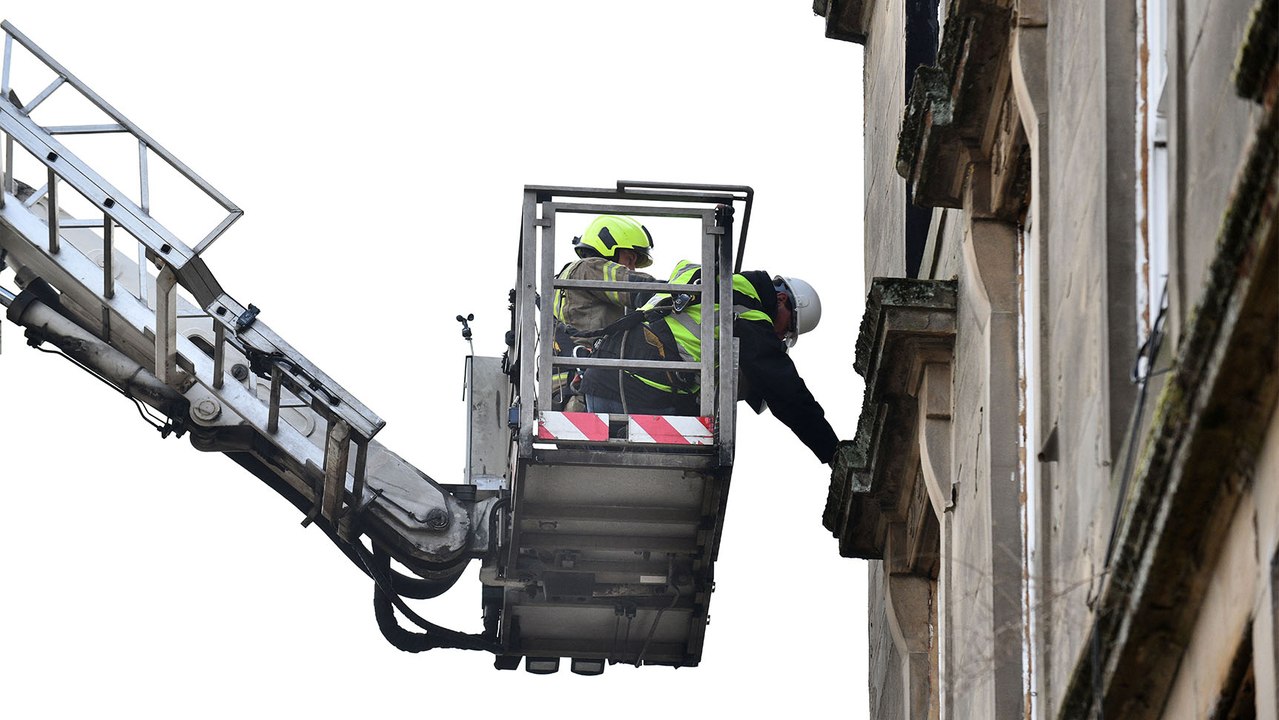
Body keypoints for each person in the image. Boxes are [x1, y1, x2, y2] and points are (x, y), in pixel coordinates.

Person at [581, 263, 839, 464]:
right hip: (638, 391)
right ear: (781, 300)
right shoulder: (749, 314)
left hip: (599, 381)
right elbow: (787, 394)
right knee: (697, 456)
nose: (781, 336)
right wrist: (833, 452)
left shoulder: (703, 277)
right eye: (789, 328)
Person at [550, 215, 658, 410]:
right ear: (608, 247)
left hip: (567, 391)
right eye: (630, 259)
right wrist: (685, 289)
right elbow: (637, 288)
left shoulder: (567, 276)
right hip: (587, 388)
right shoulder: (589, 268)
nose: (631, 268)